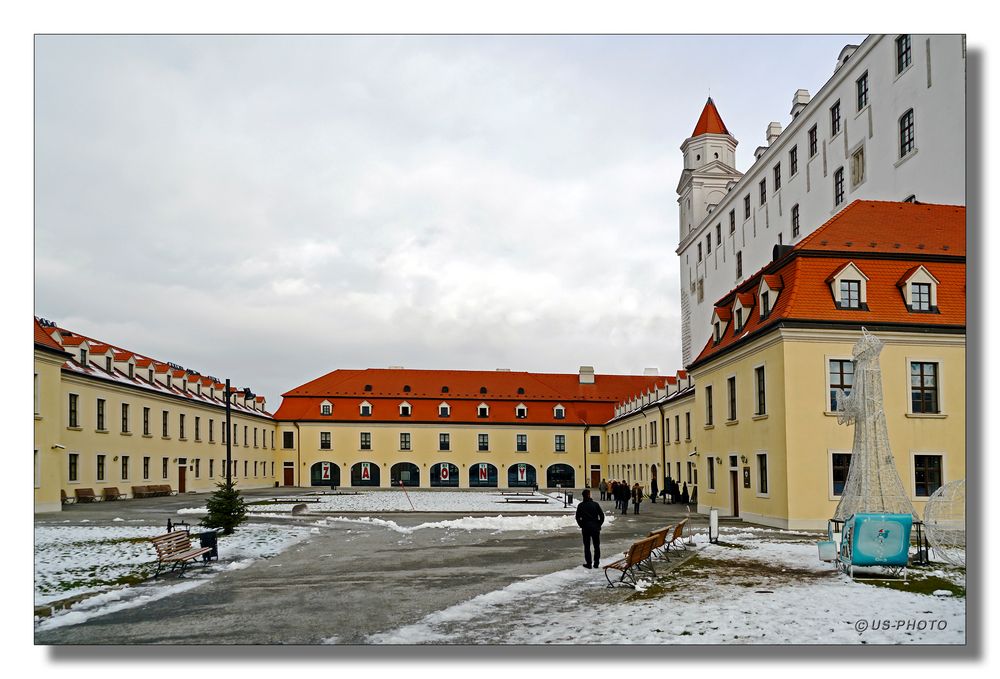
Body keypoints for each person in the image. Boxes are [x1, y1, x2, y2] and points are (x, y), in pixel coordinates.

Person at [575, 488, 605, 569]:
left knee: (587, 546)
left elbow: (577, 517)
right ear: (589, 495)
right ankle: (596, 563)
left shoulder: (581, 506)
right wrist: (599, 524)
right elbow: (602, 515)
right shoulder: (595, 504)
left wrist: (581, 525)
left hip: (586, 528)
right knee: (596, 546)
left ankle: (589, 563)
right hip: (595, 528)